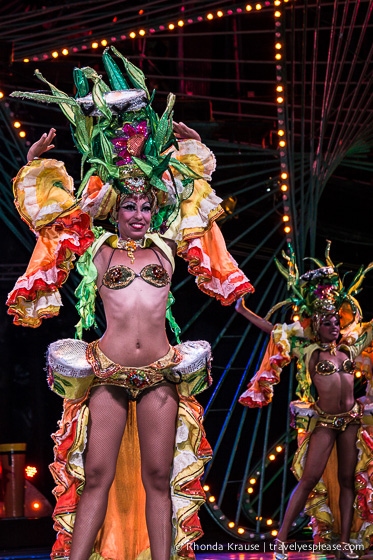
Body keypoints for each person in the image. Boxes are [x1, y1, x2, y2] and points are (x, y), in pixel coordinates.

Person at [7, 48, 254, 560]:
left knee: (158, 477)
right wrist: (34, 165)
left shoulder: (167, 244)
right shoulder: (97, 251)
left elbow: (197, 200)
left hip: (162, 374)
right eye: (130, 206)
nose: (139, 213)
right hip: (107, 373)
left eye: (146, 205)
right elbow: (53, 220)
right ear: (115, 210)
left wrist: (193, 146)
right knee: (95, 476)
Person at [235, 244, 373, 559]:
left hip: (351, 420)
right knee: (310, 478)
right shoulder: (308, 351)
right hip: (324, 422)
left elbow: (370, 329)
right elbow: (273, 330)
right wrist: (244, 311)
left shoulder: (349, 351)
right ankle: (281, 540)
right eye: (327, 323)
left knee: (348, 480)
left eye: (337, 322)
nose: (334, 326)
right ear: (315, 325)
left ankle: (344, 545)